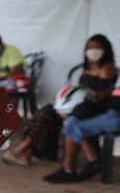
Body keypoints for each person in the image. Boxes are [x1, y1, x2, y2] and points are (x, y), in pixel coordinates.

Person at [44, 34, 119, 183]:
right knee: (70, 119)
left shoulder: (109, 69)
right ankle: (86, 161)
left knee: (71, 121)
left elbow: (113, 102)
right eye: (90, 47)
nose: (93, 51)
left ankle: (73, 167)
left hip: (114, 116)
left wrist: (90, 104)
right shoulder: (88, 68)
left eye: (97, 47)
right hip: (110, 112)